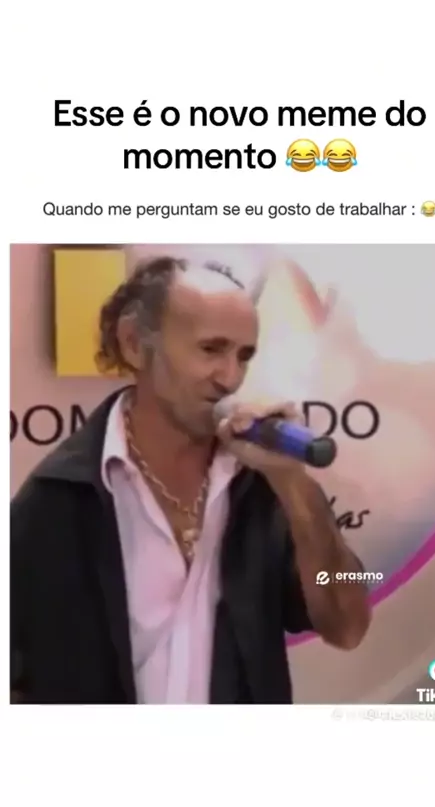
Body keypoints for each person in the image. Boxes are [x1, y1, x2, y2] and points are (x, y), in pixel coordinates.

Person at [10, 256, 371, 704]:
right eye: (211, 350)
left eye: (244, 356)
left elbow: (347, 625)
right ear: (134, 344)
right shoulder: (57, 498)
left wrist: (293, 483)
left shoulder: (263, 484)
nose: (231, 377)